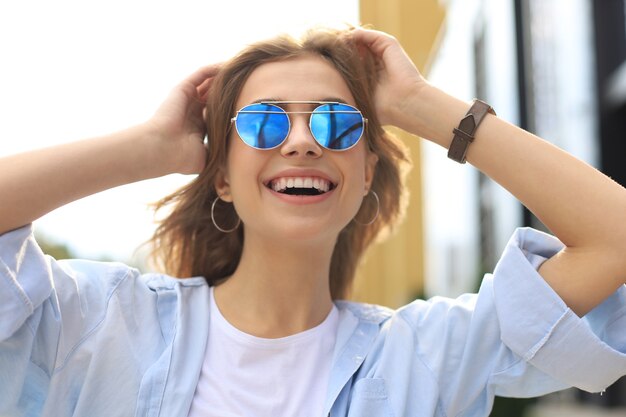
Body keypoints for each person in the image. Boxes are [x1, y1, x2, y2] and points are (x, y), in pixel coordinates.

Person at [1, 25, 625, 417]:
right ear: (221, 176)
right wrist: (152, 147)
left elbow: (614, 238)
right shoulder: (100, 322)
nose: (301, 141)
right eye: (265, 122)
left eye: (335, 123)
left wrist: (419, 104)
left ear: (361, 180)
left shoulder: (426, 355)